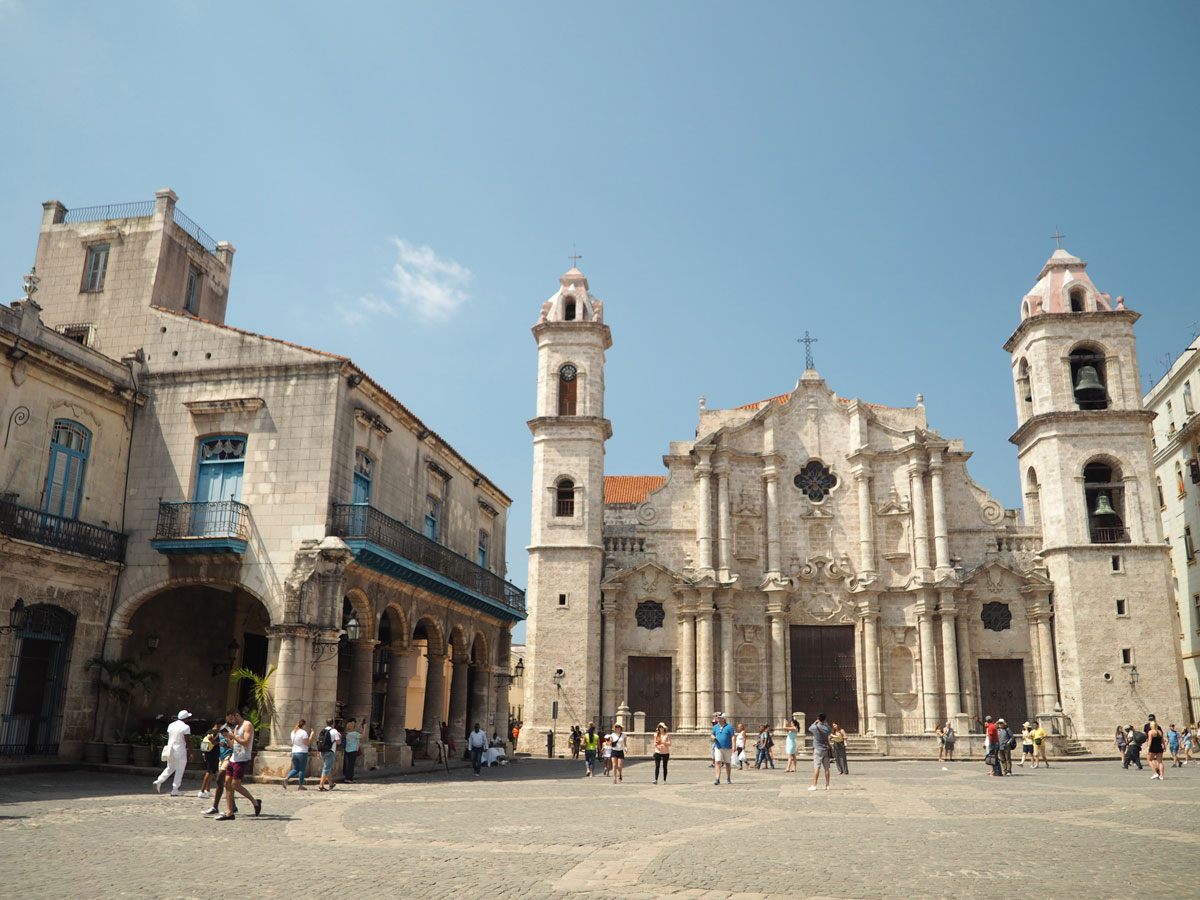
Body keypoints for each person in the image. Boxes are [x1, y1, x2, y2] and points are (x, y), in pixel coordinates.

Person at [216, 709, 262, 821]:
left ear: (237, 715)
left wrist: (234, 736)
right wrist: (228, 739)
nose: (231, 721)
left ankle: (255, 802)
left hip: (242, 759)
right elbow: (233, 745)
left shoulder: (247, 725)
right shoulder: (236, 728)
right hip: (233, 758)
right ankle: (229, 812)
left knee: (235, 785)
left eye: (231, 718)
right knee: (227, 783)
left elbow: (246, 742)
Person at [153, 709, 192, 797]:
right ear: (185, 719)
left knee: (170, 767)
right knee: (180, 769)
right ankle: (175, 789)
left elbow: (167, 736)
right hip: (180, 750)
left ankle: (158, 781)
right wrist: (192, 752)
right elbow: (188, 740)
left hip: (170, 749)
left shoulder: (171, 725)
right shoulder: (186, 727)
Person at [202, 721, 237, 816]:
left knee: (219, 779)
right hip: (221, 757)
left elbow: (233, 745)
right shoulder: (223, 727)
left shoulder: (235, 729)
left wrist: (226, 743)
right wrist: (211, 739)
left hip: (229, 756)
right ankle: (230, 806)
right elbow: (216, 740)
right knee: (226, 783)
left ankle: (216, 807)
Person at [283, 718, 311, 790]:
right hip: (302, 752)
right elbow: (306, 743)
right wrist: (311, 736)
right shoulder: (303, 733)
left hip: (294, 752)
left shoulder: (293, 732)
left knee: (296, 768)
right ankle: (300, 785)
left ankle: (287, 778)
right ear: (303, 725)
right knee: (302, 769)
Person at [197, 720, 222, 798]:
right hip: (213, 754)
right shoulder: (218, 732)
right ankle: (202, 790)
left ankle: (207, 790)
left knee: (211, 772)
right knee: (209, 771)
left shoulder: (208, 731)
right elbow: (215, 742)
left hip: (207, 752)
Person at [809, 713, 832, 791]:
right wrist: (826, 723)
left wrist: (816, 721)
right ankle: (828, 785)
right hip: (826, 749)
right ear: (825, 719)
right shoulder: (827, 728)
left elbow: (809, 728)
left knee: (817, 767)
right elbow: (830, 730)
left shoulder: (815, 727)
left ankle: (815, 785)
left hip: (818, 749)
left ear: (818, 719)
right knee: (827, 768)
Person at [317, 717, 341, 791]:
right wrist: (339, 736)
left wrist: (318, 752)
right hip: (330, 751)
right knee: (326, 768)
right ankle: (321, 785)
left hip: (322, 751)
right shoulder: (334, 731)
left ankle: (331, 784)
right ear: (333, 724)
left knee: (327, 768)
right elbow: (338, 742)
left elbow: (319, 741)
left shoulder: (323, 730)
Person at [711, 712, 734, 785]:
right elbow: (712, 734)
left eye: (720, 717)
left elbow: (733, 736)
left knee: (727, 763)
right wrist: (713, 737)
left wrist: (734, 746)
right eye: (718, 717)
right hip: (718, 747)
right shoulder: (715, 727)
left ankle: (728, 778)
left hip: (727, 747)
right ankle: (717, 779)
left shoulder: (729, 727)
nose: (718, 718)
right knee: (717, 762)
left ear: (724, 718)